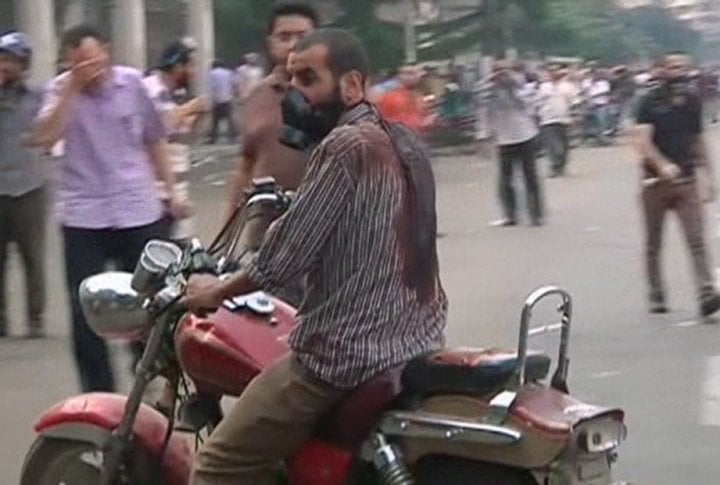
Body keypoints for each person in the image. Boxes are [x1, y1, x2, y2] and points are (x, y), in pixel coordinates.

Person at [185, 28, 448, 485]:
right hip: (419, 340)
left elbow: (278, 263)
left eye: (309, 79)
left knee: (215, 464)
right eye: (291, 81)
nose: (296, 95)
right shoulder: (405, 143)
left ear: (350, 85)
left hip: (345, 355)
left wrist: (215, 291)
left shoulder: (342, 147)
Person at [32, 25, 184, 392]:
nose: (90, 68)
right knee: (86, 306)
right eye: (79, 62)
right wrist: (72, 87)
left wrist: (171, 190)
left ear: (107, 51)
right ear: (68, 61)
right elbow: (45, 138)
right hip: (84, 214)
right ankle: (97, 388)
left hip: (137, 207)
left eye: (95, 58)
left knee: (154, 299)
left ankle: (150, 367)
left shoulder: (133, 84)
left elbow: (154, 139)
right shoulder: (59, 90)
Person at [633, 54, 720, 317]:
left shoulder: (692, 101)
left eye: (683, 67)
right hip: (655, 183)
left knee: (696, 239)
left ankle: (706, 291)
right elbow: (642, 141)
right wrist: (662, 166)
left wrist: (709, 176)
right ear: (661, 70)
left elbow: (697, 140)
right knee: (654, 242)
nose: (679, 72)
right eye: (673, 67)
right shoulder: (648, 102)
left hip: (686, 179)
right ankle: (656, 293)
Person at [226, 2, 318, 218]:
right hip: (265, 230)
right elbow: (245, 166)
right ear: (270, 43)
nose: (293, 45)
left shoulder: (337, 94)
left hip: (326, 229)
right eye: (284, 37)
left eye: (303, 36)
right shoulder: (257, 96)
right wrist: (227, 230)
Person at [0, 31, 46, 338]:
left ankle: (35, 318)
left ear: (24, 65)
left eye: (11, 61)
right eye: (2, 60)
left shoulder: (39, 97)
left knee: (33, 257)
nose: (5, 66)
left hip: (30, 186)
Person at [144, 38, 207, 240]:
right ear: (178, 65)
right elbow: (157, 127)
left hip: (175, 193)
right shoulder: (151, 90)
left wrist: (198, 117)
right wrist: (190, 108)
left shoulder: (176, 94)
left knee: (180, 258)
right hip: (155, 197)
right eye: (192, 64)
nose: (195, 71)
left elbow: (183, 138)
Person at [482, 59, 543, 227]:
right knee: (505, 179)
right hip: (504, 138)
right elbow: (484, 112)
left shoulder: (519, 84)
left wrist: (511, 87)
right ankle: (510, 215)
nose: (500, 73)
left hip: (525, 135)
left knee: (530, 176)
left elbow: (528, 104)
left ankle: (536, 214)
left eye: (503, 70)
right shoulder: (488, 88)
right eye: (497, 70)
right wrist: (485, 136)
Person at [537, 65, 576, 177]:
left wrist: (575, 115)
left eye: (556, 71)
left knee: (564, 146)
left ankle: (561, 166)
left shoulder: (568, 87)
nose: (554, 73)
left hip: (564, 119)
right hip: (548, 120)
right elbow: (537, 102)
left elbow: (574, 102)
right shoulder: (543, 87)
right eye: (551, 71)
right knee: (554, 146)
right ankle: (554, 166)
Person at [376, 64, 428, 133]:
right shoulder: (391, 95)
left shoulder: (417, 92)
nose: (412, 77)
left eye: (414, 73)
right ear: (399, 75)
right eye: (409, 73)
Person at [208, 60, 237, 144]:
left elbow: (211, 86)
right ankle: (232, 138)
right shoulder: (229, 73)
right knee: (230, 120)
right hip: (227, 99)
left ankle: (213, 139)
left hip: (217, 100)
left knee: (215, 121)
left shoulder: (212, 73)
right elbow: (234, 83)